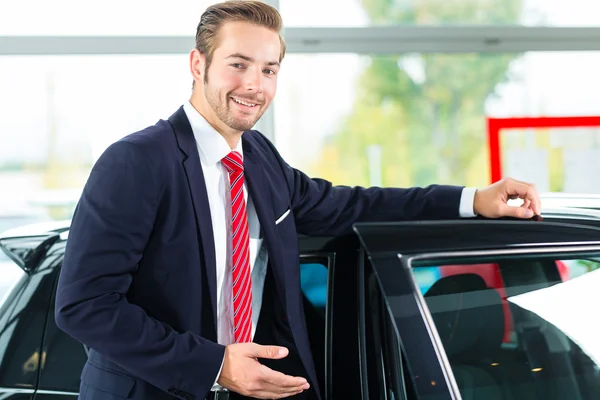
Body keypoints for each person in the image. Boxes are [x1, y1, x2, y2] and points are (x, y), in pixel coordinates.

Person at [54, 1, 541, 399]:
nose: (254, 85)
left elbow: (354, 206)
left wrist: (473, 199)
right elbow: (84, 306)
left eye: (269, 69)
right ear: (198, 64)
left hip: (256, 391)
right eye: (238, 64)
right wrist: (216, 365)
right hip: (154, 392)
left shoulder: (259, 158)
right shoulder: (136, 161)